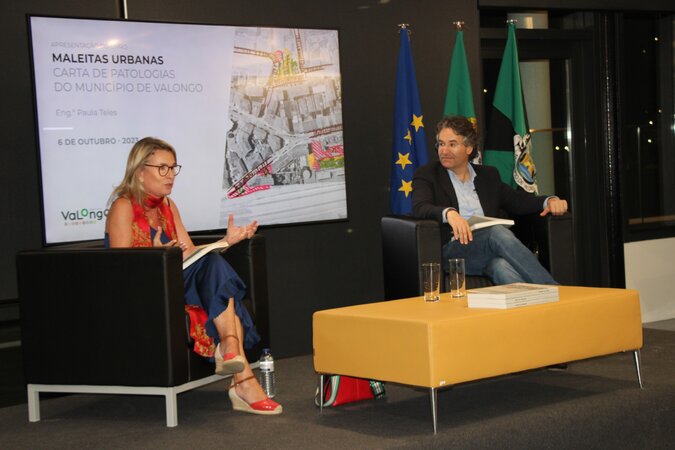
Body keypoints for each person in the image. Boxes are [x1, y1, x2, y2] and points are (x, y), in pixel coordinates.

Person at [106, 137, 282, 415]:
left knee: (212, 261)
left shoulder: (168, 205)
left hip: (173, 281)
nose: (170, 175)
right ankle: (242, 378)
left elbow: (189, 252)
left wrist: (225, 242)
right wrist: (154, 257)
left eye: (173, 168)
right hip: (145, 289)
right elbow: (120, 269)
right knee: (222, 292)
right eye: (162, 168)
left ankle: (231, 351)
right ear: (139, 172)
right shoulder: (123, 206)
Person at [412, 116, 569, 285]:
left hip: (486, 251)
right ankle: (553, 288)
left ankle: (535, 302)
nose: (444, 151)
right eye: (441, 144)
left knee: (500, 266)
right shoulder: (428, 174)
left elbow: (518, 201)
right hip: (453, 250)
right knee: (495, 232)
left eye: (452, 144)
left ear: (468, 148)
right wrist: (449, 213)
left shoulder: (488, 176)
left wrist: (549, 201)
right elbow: (420, 207)